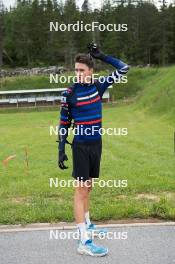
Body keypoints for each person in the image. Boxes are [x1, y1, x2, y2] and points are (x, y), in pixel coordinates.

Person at [58, 43, 129, 257]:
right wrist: (61, 149)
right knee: (80, 191)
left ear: (91, 71)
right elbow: (63, 124)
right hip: (80, 146)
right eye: (76, 70)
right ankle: (83, 241)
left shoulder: (99, 87)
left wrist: (102, 56)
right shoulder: (69, 93)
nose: (78, 73)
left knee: (88, 187)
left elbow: (124, 68)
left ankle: (88, 225)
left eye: (82, 70)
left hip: (96, 145)